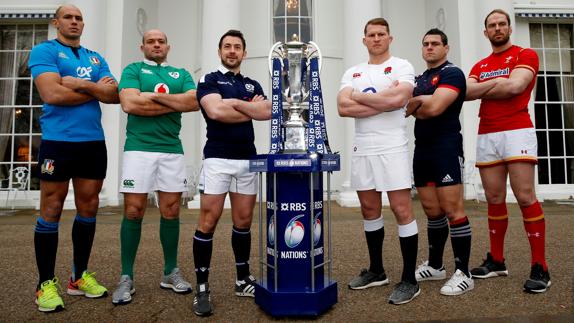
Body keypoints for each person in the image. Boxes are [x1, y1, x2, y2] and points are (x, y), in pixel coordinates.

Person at [28, 5, 119, 312]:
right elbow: (52, 94)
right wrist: (96, 89)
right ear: (56, 22)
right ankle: (45, 284)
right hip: (58, 142)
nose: (75, 22)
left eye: (79, 18)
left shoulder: (96, 57)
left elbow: (114, 95)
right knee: (52, 207)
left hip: (92, 142)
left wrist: (78, 83)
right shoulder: (44, 51)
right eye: (68, 17)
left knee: (89, 206)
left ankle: (78, 277)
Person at [110, 29, 199, 305]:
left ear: (168, 46)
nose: (156, 45)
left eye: (161, 41)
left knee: (171, 210)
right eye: (151, 41)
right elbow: (128, 103)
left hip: (171, 150)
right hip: (138, 148)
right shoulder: (133, 69)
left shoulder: (181, 74)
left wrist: (149, 99)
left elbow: (194, 102)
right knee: (134, 210)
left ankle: (170, 272)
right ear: (143, 46)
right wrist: (173, 104)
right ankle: (126, 276)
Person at [466, 9, 550, 293]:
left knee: (525, 197)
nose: (498, 28)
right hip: (487, 131)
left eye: (502, 24)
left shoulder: (525, 54)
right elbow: (466, 92)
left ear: (510, 28)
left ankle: (540, 266)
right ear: (485, 32)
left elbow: (516, 86)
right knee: (493, 197)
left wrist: (484, 88)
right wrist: (498, 84)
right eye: (492, 25)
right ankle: (497, 261)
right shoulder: (479, 64)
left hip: (517, 130)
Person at [337, 18, 419, 305]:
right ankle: (377, 270)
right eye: (371, 35)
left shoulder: (402, 66)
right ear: (364, 40)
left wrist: (361, 99)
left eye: (381, 34)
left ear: (389, 37)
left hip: (392, 145)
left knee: (400, 208)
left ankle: (410, 278)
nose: (376, 39)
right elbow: (342, 107)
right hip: (363, 148)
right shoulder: (353, 71)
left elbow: (398, 100)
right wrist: (381, 100)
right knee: (369, 208)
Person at [192, 29, 271, 316]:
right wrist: (248, 108)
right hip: (218, 159)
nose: (232, 51)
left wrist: (237, 104)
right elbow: (215, 112)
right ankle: (202, 286)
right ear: (220, 51)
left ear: (244, 52)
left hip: (246, 159)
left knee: (243, 221)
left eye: (237, 47)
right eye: (227, 46)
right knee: (208, 221)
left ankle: (242, 279)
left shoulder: (252, 83)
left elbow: (267, 113)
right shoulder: (209, 79)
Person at [406, 29, 473, 296]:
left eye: (435, 43)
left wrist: (420, 101)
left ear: (446, 47)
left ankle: (464, 272)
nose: (430, 47)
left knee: (452, 209)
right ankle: (435, 266)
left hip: (446, 147)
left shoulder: (452, 73)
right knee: (432, 211)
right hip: (422, 150)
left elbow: (434, 108)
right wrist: (422, 99)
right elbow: (405, 107)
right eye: (425, 44)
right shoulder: (419, 78)